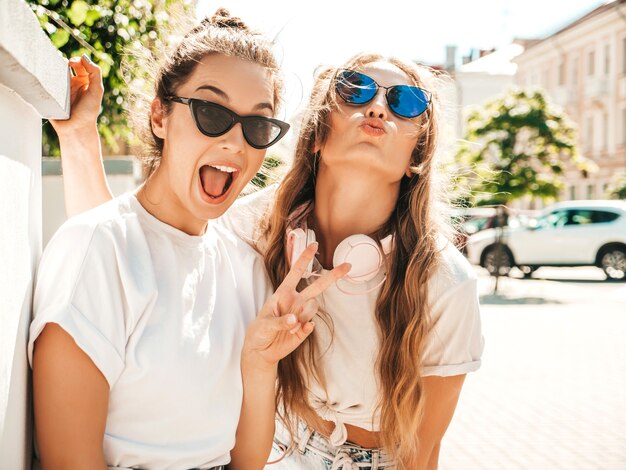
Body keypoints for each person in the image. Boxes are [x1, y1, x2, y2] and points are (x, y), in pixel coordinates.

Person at [57, 49, 484, 468]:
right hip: (277, 442)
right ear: (316, 134)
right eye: (355, 91)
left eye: (405, 102)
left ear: (417, 156)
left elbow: (422, 454)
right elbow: (126, 249)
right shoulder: (251, 228)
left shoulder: (445, 282)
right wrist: (79, 139)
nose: (376, 108)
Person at [28, 10, 348, 470]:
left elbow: (245, 459)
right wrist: (80, 137)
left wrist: (260, 362)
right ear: (161, 115)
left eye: (257, 126)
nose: (236, 144)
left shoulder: (247, 267)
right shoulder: (94, 247)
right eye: (212, 113)